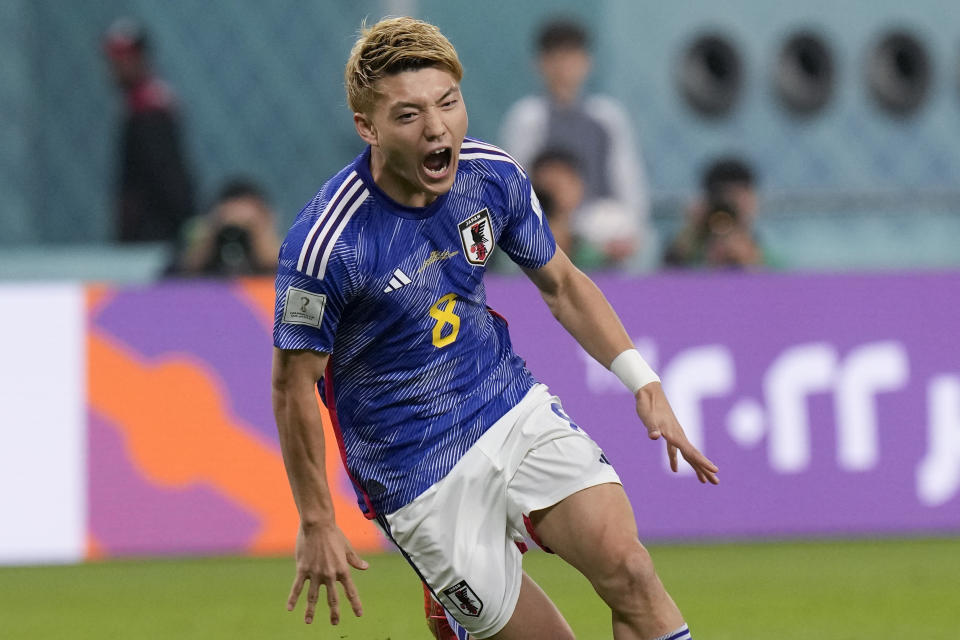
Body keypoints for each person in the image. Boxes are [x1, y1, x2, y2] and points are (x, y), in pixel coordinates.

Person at [270, 17, 718, 640]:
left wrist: (640, 379)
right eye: (408, 115)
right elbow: (294, 386)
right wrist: (317, 519)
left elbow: (561, 284)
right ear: (366, 127)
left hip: (508, 408)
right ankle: (452, 612)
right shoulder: (328, 244)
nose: (437, 128)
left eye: (448, 103)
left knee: (630, 569)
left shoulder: (492, 176)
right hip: (415, 468)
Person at [499, 17, 652, 268]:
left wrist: (631, 231)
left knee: (642, 244)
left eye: (571, 57)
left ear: (587, 62)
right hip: (549, 227)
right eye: (556, 58)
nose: (564, 67)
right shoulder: (527, 118)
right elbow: (516, 188)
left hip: (602, 226)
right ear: (540, 64)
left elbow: (629, 184)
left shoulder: (608, 117)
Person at [104, 17, 195, 243]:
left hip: (155, 235)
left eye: (126, 59)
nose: (118, 68)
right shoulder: (139, 105)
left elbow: (168, 176)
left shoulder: (150, 111)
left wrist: (187, 222)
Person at [663, 157, 766, 269]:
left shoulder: (769, 247)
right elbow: (665, 271)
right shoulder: (688, 244)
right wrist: (692, 231)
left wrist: (751, 262)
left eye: (737, 196)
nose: (729, 205)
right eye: (724, 195)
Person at [168, 178, 281, 277]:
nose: (237, 236)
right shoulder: (197, 264)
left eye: (248, 224)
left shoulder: (289, 267)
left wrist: (275, 258)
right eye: (229, 228)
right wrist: (200, 256)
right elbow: (166, 288)